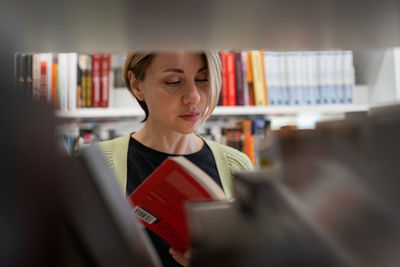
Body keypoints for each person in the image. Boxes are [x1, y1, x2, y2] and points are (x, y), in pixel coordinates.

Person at [99, 51, 253, 266]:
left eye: (203, 79)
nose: (194, 97)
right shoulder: (100, 164)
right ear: (137, 85)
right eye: (173, 81)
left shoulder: (237, 166)